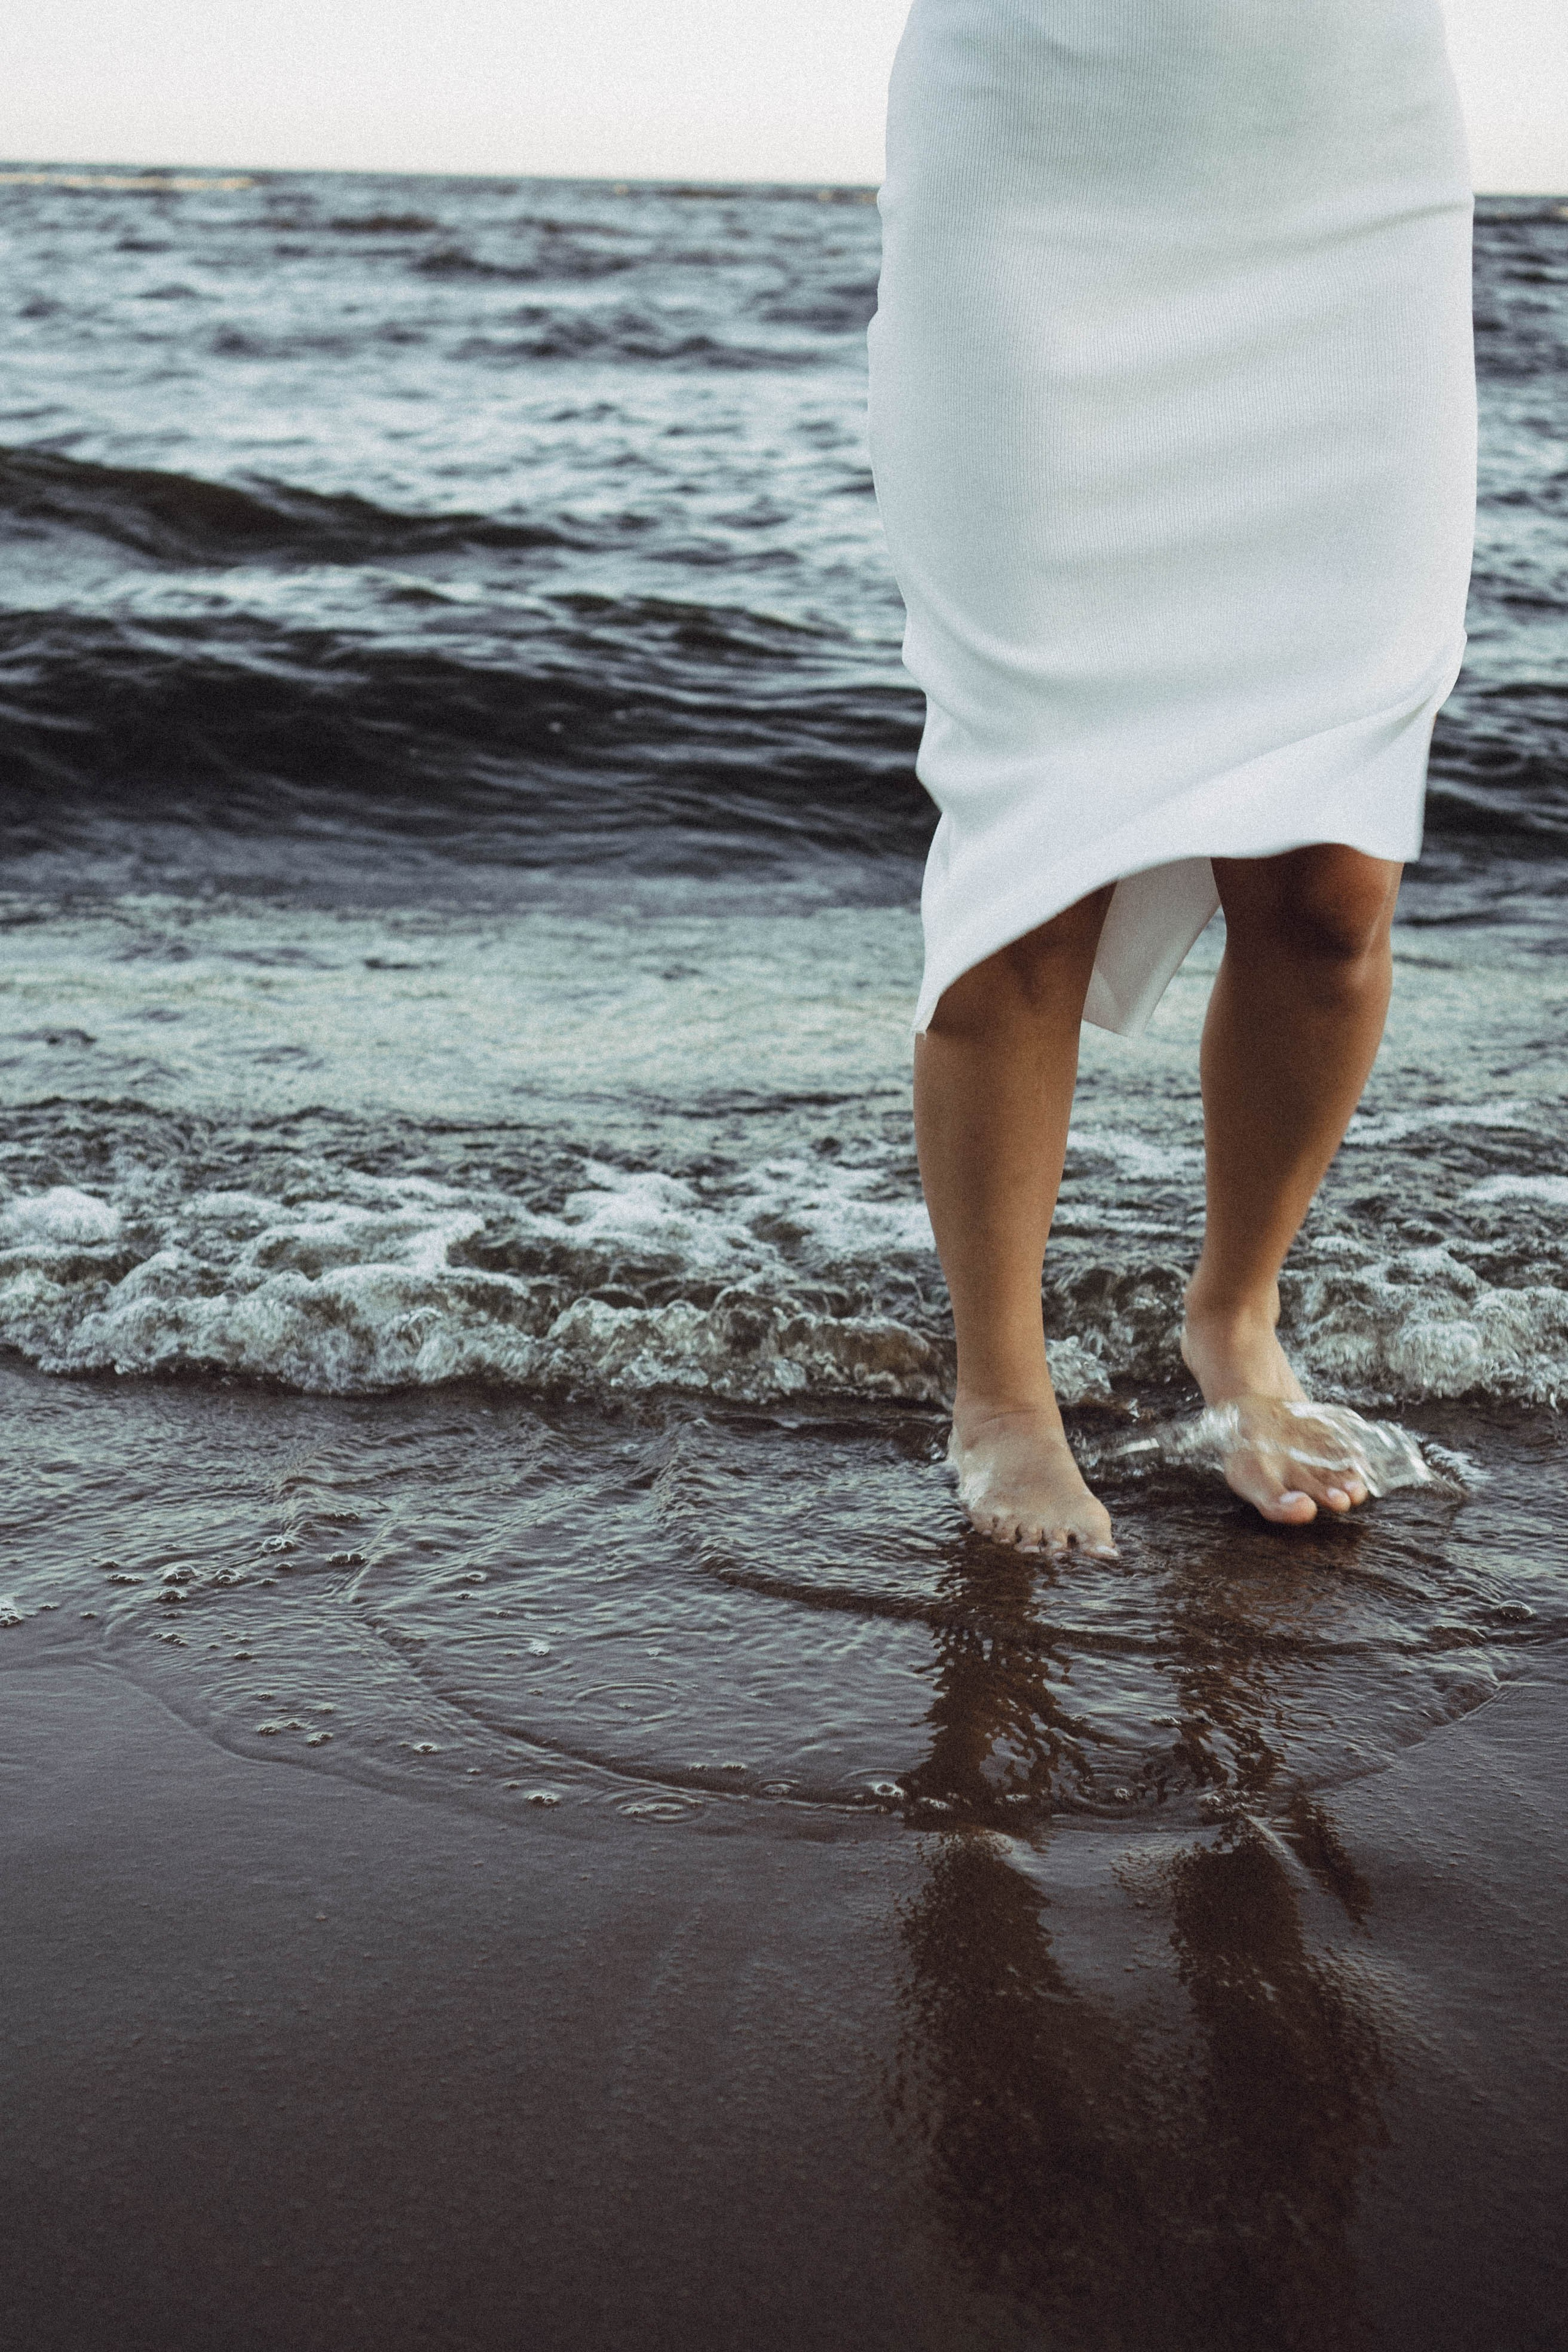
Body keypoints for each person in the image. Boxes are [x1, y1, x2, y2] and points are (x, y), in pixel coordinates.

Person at [865, 0, 1476, 1552]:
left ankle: (1236, 1319)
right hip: (1041, 149)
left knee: (1332, 882)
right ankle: (1001, 1394)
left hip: (1342, 163)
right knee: (1036, 836)